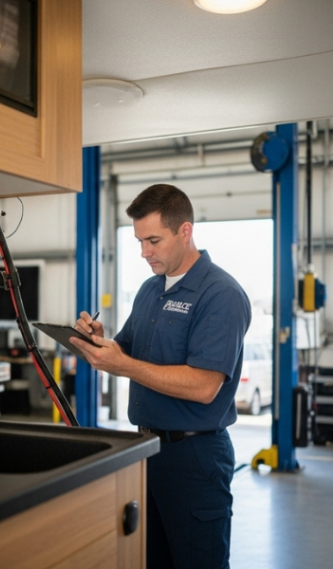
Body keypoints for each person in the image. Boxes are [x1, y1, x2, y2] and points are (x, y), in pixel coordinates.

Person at [69, 184, 249, 569]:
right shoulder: (151, 290)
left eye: (153, 240)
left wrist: (123, 365)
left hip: (195, 458)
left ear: (185, 231)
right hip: (147, 451)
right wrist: (100, 345)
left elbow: (204, 386)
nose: (144, 252)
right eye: (139, 240)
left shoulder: (220, 294)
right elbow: (130, 352)